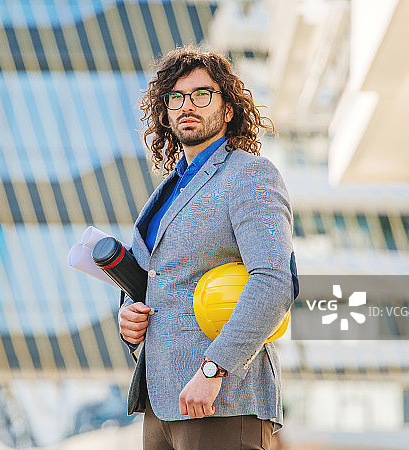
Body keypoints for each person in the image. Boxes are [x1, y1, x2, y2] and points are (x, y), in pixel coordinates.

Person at [118, 45, 296, 449]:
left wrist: (215, 370)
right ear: (164, 112)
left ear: (228, 108)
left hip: (221, 400)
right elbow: (156, 280)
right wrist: (127, 318)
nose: (187, 106)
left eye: (202, 94)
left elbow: (273, 282)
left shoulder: (250, 175)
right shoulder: (166, 191)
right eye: (175, 98)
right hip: (160, 401)